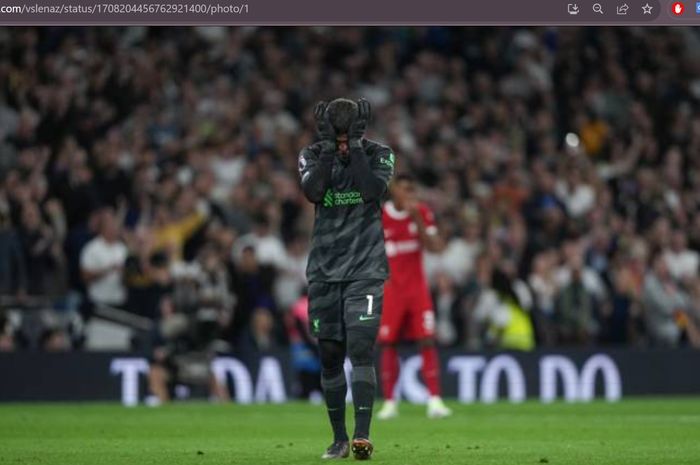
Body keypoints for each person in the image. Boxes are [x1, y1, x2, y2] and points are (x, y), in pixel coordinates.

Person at [299, 98, 394, 460]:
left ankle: (362, 436)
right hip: (323, 273)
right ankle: (338, 438)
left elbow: (372, 191)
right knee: (330, 356)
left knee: (360, 349)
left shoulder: (379, 154)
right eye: (336, 138)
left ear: (358, 131)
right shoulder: (311, 154)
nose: (341, 145)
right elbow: (314, 192)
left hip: (365, 271)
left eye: (346, 138)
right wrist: (327, 150)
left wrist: (354, 147)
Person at [375, 174, 452, 420]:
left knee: (427, 340)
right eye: (405, 189)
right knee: (388, 343)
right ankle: (389, 402)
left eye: (412, 189)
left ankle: (435, 401)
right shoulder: (379, 215)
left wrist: (417, 218)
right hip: (392, 290)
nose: (410, 194)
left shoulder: (421, 212)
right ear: (394, 191)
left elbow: (436, 247)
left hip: (417, 289)